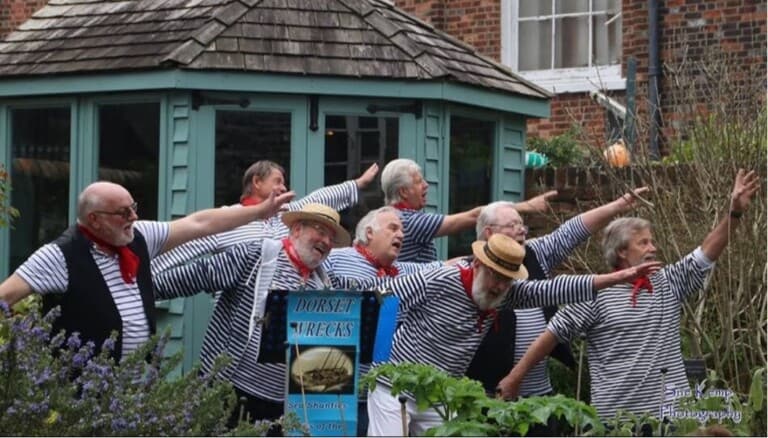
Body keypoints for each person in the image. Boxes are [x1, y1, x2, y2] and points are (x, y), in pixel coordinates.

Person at [497, 169, 759, 421]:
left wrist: (734, 212)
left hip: (669, 421)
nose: (653, 248)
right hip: (618, 423)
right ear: (622, 251)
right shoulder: (594, 295)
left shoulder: (669, 283)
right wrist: (514, 379)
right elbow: (551, 334)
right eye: (643, 242)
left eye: (652, 241)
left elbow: (706, 253)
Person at [365, 233, 663, 436]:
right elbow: (382, 300)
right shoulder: (439, 280)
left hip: (441, 392)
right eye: (494, 276)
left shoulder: (506, 295)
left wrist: (617, 277)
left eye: (506, 281)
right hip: (394, 385)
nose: (497, 287)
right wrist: (376, 360)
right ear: (478, 264)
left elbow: (553, 289)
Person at [0, 181, 294, 361]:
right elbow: (4, 296)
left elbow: (200, 223)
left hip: (135, 387)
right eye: (123, 213)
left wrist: (258, 212)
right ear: (95, 219)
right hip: (80, 393)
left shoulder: (139, 236)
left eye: (133, 207)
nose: (134, 216)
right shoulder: (58, 256)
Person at [151, 203, 355, 426]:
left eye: (331, 238)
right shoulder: (255, 255)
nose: (326, 242)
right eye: (320, 231)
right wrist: (139, 289)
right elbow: (197, 275)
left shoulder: (327, 284)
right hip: (227, 391)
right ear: (297, 229)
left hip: (281, 404)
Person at [465, 188, 649, 403]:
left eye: (521, 224)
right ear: (489, 234)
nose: (522, 230)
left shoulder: (535, 252)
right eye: (512, 225)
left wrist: (617, 206)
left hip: (539, 395)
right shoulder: (472, 273)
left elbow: (571, 232)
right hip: (487, 395)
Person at [323, 206, 444, 436]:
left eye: (402, 230)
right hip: (337, 390)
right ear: (370, 233)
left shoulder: (402, 272)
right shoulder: (336, 259)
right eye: (393, 228)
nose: (401, 235)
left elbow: (442, 268)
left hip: (381, 391)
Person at [151, 160, 378, 273]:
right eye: (277, 181)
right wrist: (144, 273)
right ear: (257, 182)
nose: (283, 188)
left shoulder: (290, 214)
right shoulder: (228, 218)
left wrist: (358, 184)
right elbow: (185, 245)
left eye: (284, 183)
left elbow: (320, 198)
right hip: (239, 315)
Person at [379, 158, 556, 262]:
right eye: (419, 182)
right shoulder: (408, 221)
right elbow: (474, 216)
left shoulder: (388, 215)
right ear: (403, 191)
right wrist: (527, 206)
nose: (426, 185)